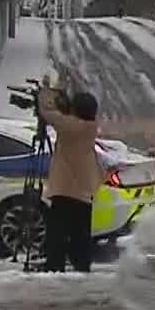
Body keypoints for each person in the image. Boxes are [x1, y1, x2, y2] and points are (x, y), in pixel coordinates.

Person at [34, 83, 100, 274]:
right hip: (84, 188)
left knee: (58, 231)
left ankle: (55, 264)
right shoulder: (90, 125)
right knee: (81, 231)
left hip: (66, 189)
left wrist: (44, 93)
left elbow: (48, 112)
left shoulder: (72, 126)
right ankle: (81, 265)